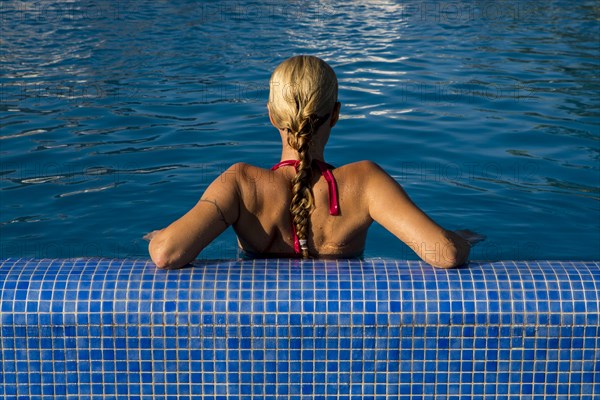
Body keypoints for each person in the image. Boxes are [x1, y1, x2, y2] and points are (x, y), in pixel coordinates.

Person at [145, 55, 482, 269]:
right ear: (335, 115)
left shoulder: (240, 184)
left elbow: (166, 253)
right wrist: (460, 239)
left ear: (271, 116)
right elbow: (445, 255)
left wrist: (162, 234)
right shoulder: (365, 182)